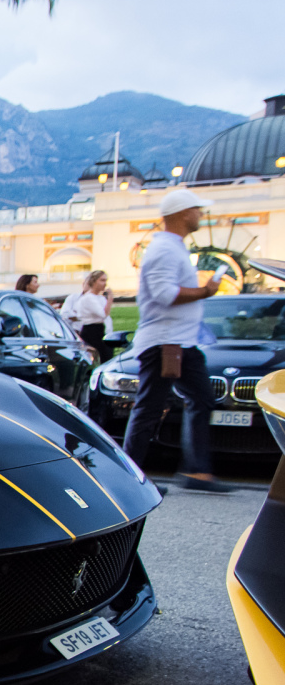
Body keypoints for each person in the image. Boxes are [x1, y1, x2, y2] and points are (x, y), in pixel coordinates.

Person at [122, 188, 231, 494]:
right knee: (149, 409)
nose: (201, 214)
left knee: (201, 399)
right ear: (184, 213)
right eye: (198, 209)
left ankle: (197, 470)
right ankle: (131, 476)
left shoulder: (173, 248)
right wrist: (206, 291)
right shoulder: (165, 250)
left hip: (179, 343)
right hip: (165, 344)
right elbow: (165, 294)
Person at [74, 270, 113, 361]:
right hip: (92, 332)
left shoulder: (99, 298)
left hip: (100, 330)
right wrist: (110, 299)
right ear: (94, 281)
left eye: (105, 281)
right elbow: (103, 314)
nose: (104, 283)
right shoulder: (89, 298)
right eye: (102, 280)